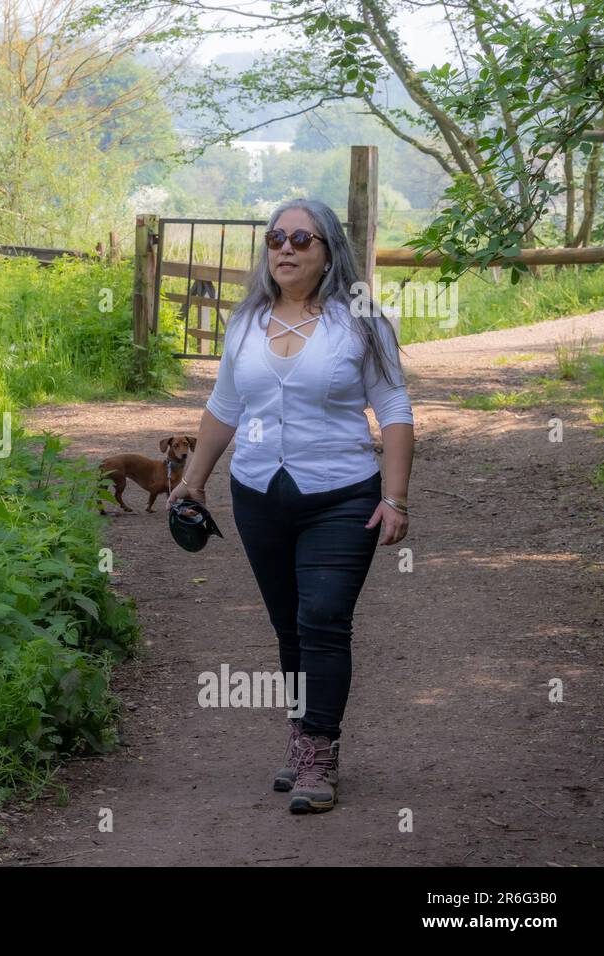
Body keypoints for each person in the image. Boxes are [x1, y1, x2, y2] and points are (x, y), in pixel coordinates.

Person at [169, 198, 415, 814]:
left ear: (330, 250)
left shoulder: (361, 322)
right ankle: (304, 733)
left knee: (324, 618)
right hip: (258, 495)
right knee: (288, 627)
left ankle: (319, 751)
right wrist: (193, 480)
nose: (286, 248)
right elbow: (224, 407)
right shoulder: (245, 322)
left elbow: (394, 410)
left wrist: (395, 497)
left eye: (303, 240)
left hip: (342, 495)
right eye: (276, 237)